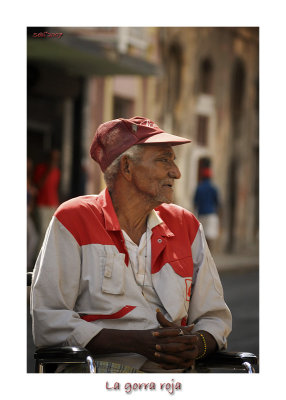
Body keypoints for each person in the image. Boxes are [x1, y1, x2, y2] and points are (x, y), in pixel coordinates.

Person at [31, 116, 231, 373]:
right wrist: (138, 343)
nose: (176, 172)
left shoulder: (186, 225)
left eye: (173, 160)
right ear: (126, 167)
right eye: (163, 159)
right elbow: (50, 320)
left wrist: (198, 345)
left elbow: (215, 316)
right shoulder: (74, 219)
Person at [33, 149, 61, 247]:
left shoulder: (57, 172)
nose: (54, 160)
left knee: (51, 234)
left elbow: (55, 189)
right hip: (42, 205)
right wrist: (48, 171)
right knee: (42, 233)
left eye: (56, 158)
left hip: (53, 205)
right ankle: (37, 259)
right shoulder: (40, 168)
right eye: (53, 158)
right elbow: (38, 186)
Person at [194, 167, 220, 251]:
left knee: (202, 235)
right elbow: (217, 202)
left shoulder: (199, 188)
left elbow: (195, 202)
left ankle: (203, 253)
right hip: (211, 214)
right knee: (210, 235)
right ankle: (209, 253)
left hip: (201, 213)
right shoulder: (213, 188)